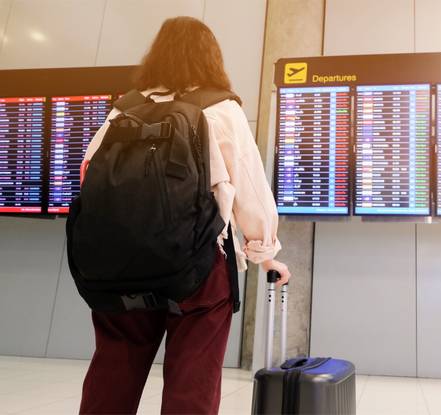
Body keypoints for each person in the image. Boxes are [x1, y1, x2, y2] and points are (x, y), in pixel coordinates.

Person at [78, 16, 291, 415]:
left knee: (113, 370)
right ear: (211, 58)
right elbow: (250, 190)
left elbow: (89, 175)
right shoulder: (221, 109)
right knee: (192, 379)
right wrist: (264, 253)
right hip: (197, 269)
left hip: (118, 267)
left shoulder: (123, 108)